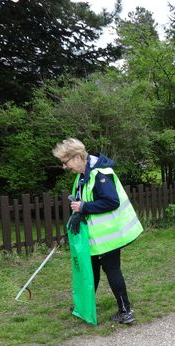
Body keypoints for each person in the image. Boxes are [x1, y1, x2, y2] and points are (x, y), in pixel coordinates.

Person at [52, 138, 143, 324]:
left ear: (77, 157)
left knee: (112, 270)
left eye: (65, 161)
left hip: (109, 236)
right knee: (91, 269)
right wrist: (79, 211)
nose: (64, 166)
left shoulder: (101, 173)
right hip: (94, 236)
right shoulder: (82, 176)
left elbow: (112, 201)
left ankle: (126, 311)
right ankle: (85, 306)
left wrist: (84, 207)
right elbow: (83, 202)